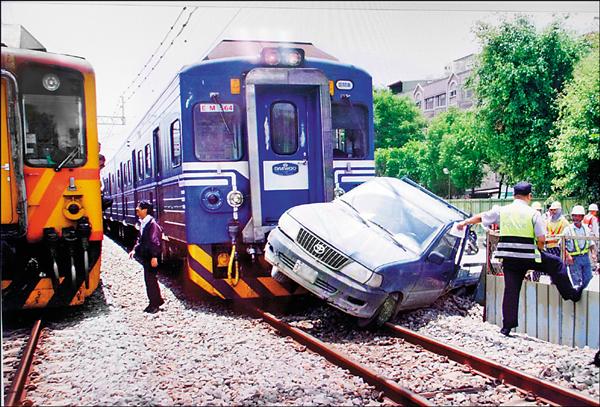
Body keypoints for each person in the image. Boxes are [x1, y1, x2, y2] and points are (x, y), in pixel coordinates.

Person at [457, 181, 582, 337]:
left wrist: (464, 222)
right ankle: (570, 294)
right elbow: (541, 238)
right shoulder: (533, 213)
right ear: (529, 196)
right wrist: (540, 249)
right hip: (529, 256)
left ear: (514, 195)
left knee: (511, 290)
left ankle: (506, 327)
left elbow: (481, 217)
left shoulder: (502, 210)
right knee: (556, 264)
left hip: (509, 258)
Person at [129, 201, 164, 313]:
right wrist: (134, 250)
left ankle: (153, 304)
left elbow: (155, 241)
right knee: (150, 279)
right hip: (147, 256)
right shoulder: (144, 222)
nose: (137, 213)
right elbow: (141, 239)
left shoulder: (152, 224)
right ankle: (157, 300)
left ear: (145, 210)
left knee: (150, 280)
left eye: (138, 210)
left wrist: (154, 257)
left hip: (151, 257)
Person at [565, 205, 596, 290]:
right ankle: (577, 299)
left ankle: (583, 295)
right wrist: (568, 256)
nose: (575, 218)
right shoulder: (568, 229)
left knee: (588, 278)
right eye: (574, 215)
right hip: (574, 259)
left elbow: (591, 242)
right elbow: (562, 245)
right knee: (576, 282)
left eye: (578, 216)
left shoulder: (586, 228)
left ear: (582, 217)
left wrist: (593, 254)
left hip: (585, 257)